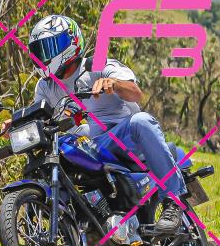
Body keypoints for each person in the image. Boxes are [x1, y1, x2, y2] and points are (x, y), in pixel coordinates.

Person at [23, 14, 186, 232]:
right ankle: (72, 224)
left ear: (70, 42)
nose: (44, 56)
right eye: (39, 51)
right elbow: (38, 117)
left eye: (49, 47)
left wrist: (114, 83)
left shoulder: (97, 65)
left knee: (141, 120)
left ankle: (173, 201)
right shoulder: (45, 87)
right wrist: (15, 123)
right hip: (88, 145)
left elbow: (136, 93)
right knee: (52, 153)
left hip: (123, 138)